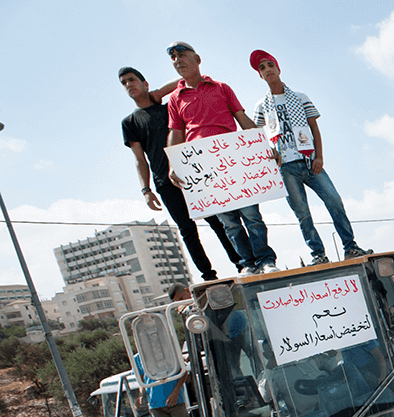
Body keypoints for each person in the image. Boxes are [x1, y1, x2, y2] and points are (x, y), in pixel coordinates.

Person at [164, 41, 279, 275]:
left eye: (182, 55)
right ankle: (248, 264)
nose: (178, 60)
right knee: (229, 222)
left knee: (251, 215)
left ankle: (266, 260)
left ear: (197, 58)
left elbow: (242, 119)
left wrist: (264, 146)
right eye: (173, 58)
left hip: (233, 160)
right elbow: (175, 133)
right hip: (204, 167)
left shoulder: (221, 88)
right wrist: (171, 164)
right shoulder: (176, 98)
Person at [119, 67, 244, 281]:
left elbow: (187, 78)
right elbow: (140, 160)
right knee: (187, 230)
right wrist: (146, 189)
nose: (129, 85)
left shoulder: (172, 106)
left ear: (145, 83)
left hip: (194, 173)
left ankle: (241, 263)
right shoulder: (129, 122)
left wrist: (156, 94)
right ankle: (208, 276)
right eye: (124, 83)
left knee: (219, 221)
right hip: (165, 182)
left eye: (132, 80)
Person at [249, 50, 371, 262]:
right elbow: (258, 137)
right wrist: (270, 153)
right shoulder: (261, 107)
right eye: (262, 68)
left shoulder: (300, 97)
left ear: (278, 68)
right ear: (260, 75)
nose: (267, 70)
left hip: (310, 161)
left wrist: (319, 157)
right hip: (285, 168)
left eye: (270, 65)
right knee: (302, 214)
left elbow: (314, 128)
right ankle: (318, 254)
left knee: (334, 200)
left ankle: (350, 247)